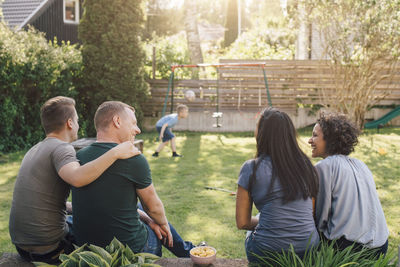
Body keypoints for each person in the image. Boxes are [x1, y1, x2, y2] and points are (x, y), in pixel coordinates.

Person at [9, 96, 140, 264]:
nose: (78, 125)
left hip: (23, 245)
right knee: (100, 224)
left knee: (81, 215)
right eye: (77, 120)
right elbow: (78, 178)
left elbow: (42, 200)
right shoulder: (61, 148)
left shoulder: (34, 149)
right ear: (70, 123)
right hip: (51, 249)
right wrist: (116, 152)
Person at [71, 101, 196, 257]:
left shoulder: (78, 157)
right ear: (117, 121)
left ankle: (188, 250)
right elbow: (153, 207)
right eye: (133, 123)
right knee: (153, 218)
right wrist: (163, 224)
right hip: (129, 251)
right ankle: (188, 251)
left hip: (88, 251)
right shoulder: (133, 158)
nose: (137, 129)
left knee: (139, 207)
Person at [236, 107, 320, 264]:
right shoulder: (308, 166)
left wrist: (265, 220)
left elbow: (242, 223)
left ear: (261, 133)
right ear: (290, 134)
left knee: (252, 230)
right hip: (308, 250)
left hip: (267, 253)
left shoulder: (251, 168)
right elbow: (311, 213)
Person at [309, 112, 389, 255]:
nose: (310, 140)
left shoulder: (324, 167)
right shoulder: (361, 164)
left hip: (351, 248)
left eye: (315, 135)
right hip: (381, 245)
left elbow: (320, 219)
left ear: (330, 139)